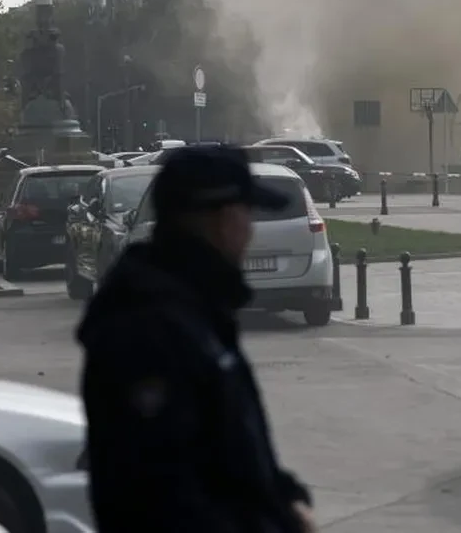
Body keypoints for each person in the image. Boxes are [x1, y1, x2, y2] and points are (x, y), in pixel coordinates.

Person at [76, 145, 316, 533]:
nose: (251, 230)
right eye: (247, 215)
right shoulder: (150, 327)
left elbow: (229, 448)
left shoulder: (198, 308)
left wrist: (284, 498)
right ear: (224, 220)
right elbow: (160, 495)